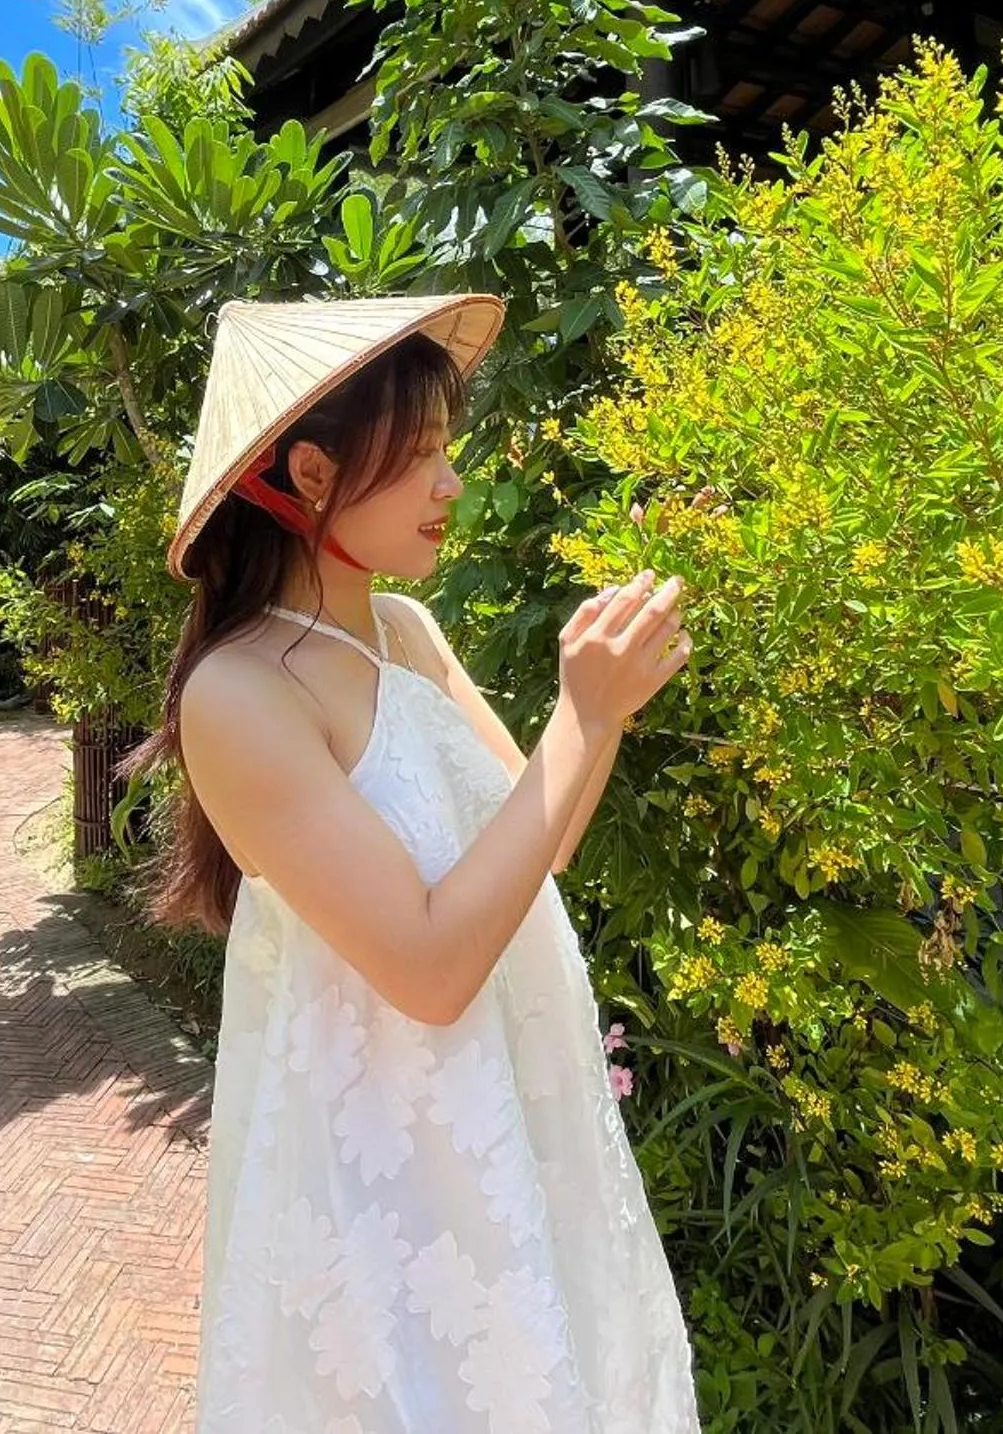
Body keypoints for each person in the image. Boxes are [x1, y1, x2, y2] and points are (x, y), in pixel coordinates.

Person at [130, 291, 702, 1433]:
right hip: (382, 1166)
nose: (451, 484)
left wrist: (604, 710)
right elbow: (430, 970)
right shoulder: (240, 693)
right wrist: (583, 718)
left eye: (449, 449)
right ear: (309, 473)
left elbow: (542, 843)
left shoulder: (408, 633)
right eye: (423, 453)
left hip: (508, 1110)